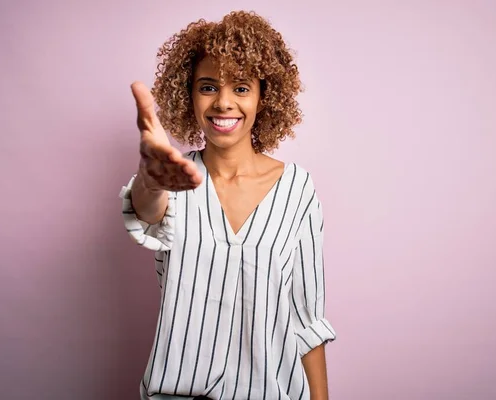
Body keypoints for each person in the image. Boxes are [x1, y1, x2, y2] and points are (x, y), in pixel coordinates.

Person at [120, 11, 336, 400]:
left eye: (240, 87)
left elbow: (307, 319)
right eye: (207, 87)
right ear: (189, 95)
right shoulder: (174, 180)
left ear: (263, 96)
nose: (223, 103)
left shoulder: (297, 190)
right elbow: (147, 215)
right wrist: (150, 180)